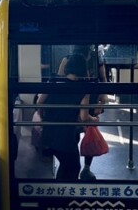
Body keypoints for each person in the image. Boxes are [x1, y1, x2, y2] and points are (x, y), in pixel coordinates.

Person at [34, 53, 98, 181]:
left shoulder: (53, 80)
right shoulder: (83, 89)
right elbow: (84, 117)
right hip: (66, 137)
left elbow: (39, 102)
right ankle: (66, 196)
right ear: (83, 70)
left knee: (65, 164)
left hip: (48, 133)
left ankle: (60, 193)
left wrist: (42, 118)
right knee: (74, 166)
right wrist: (94, 119)